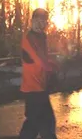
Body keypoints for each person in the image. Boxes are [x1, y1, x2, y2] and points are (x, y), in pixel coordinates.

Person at [19, 8, 58, 139]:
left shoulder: (42, 37)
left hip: (40, 86)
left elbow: (44, 59)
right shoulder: (28, 38)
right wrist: (52, 68)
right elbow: (39, 60)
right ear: (32, 21)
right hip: (32, 88)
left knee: (34, 124)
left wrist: (53, 66)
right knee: (45, 123)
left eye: (44, 21)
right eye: (38, 20)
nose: (41, 24)